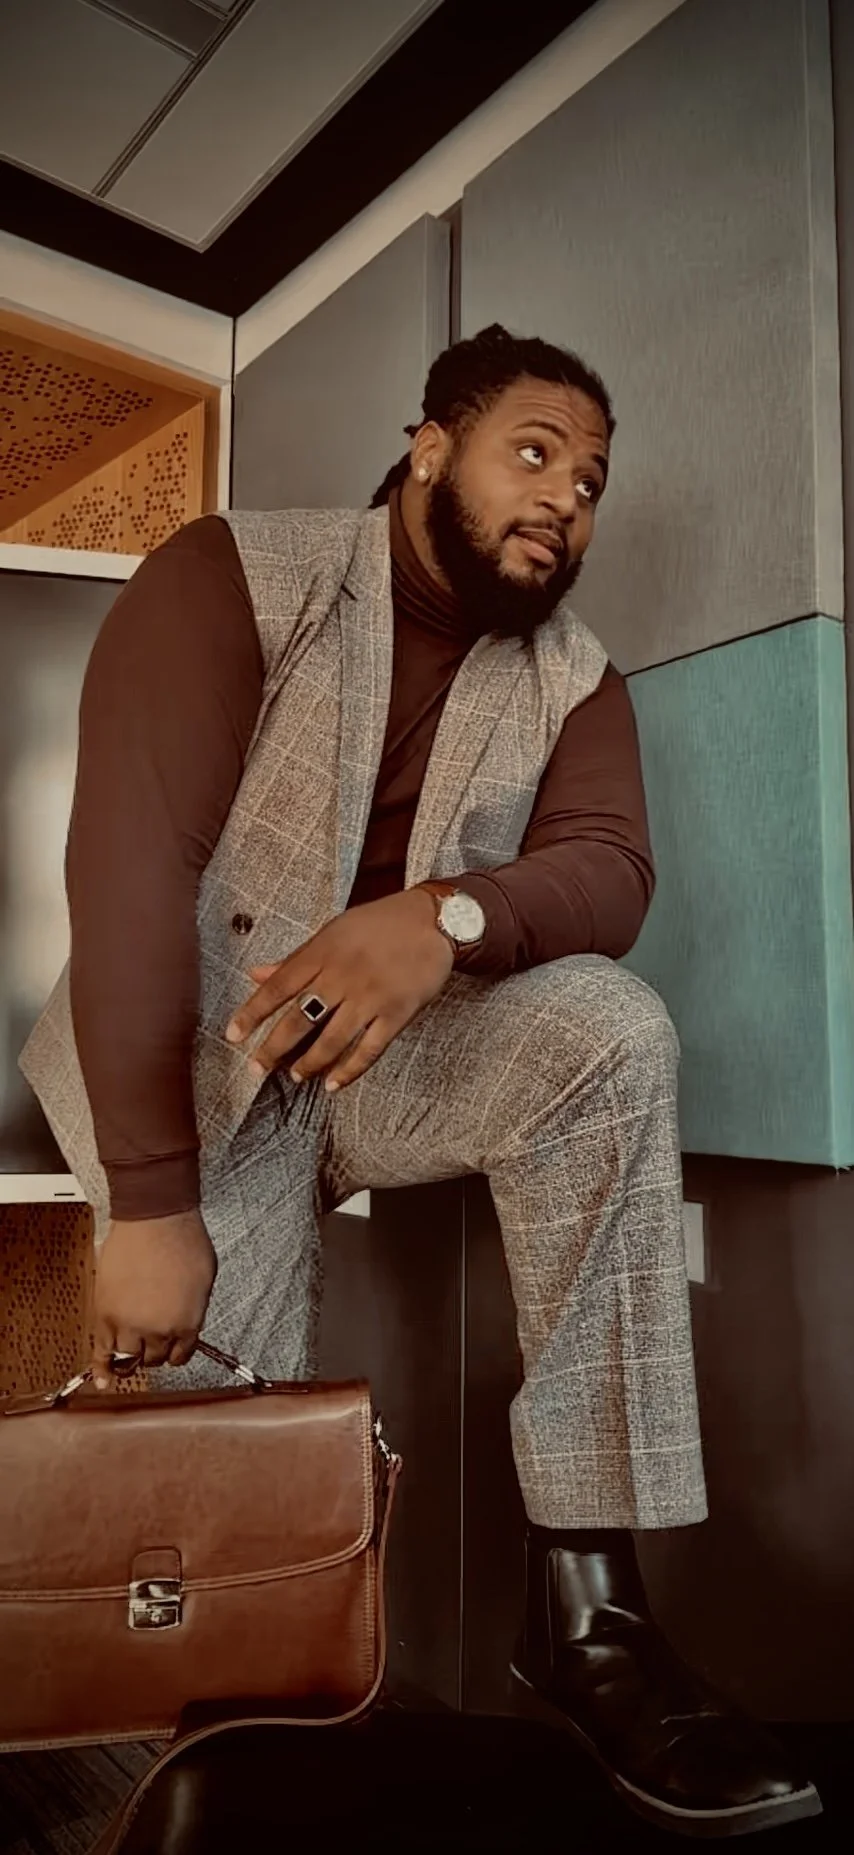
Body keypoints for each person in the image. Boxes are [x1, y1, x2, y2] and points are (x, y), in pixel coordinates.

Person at [19, 324, 819, 1836]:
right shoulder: (226, 574)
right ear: (430, 443)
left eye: (590, 480)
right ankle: (124, 1784)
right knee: (203, 1512)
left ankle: (585, 1612)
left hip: (387, 1054)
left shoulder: (575, 674)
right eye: (534, 451)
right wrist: (148, 1199)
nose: (565, 498)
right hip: (195, 1064)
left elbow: (606, 871)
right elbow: (127, 874)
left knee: (607, 1029)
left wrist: (438, 917)